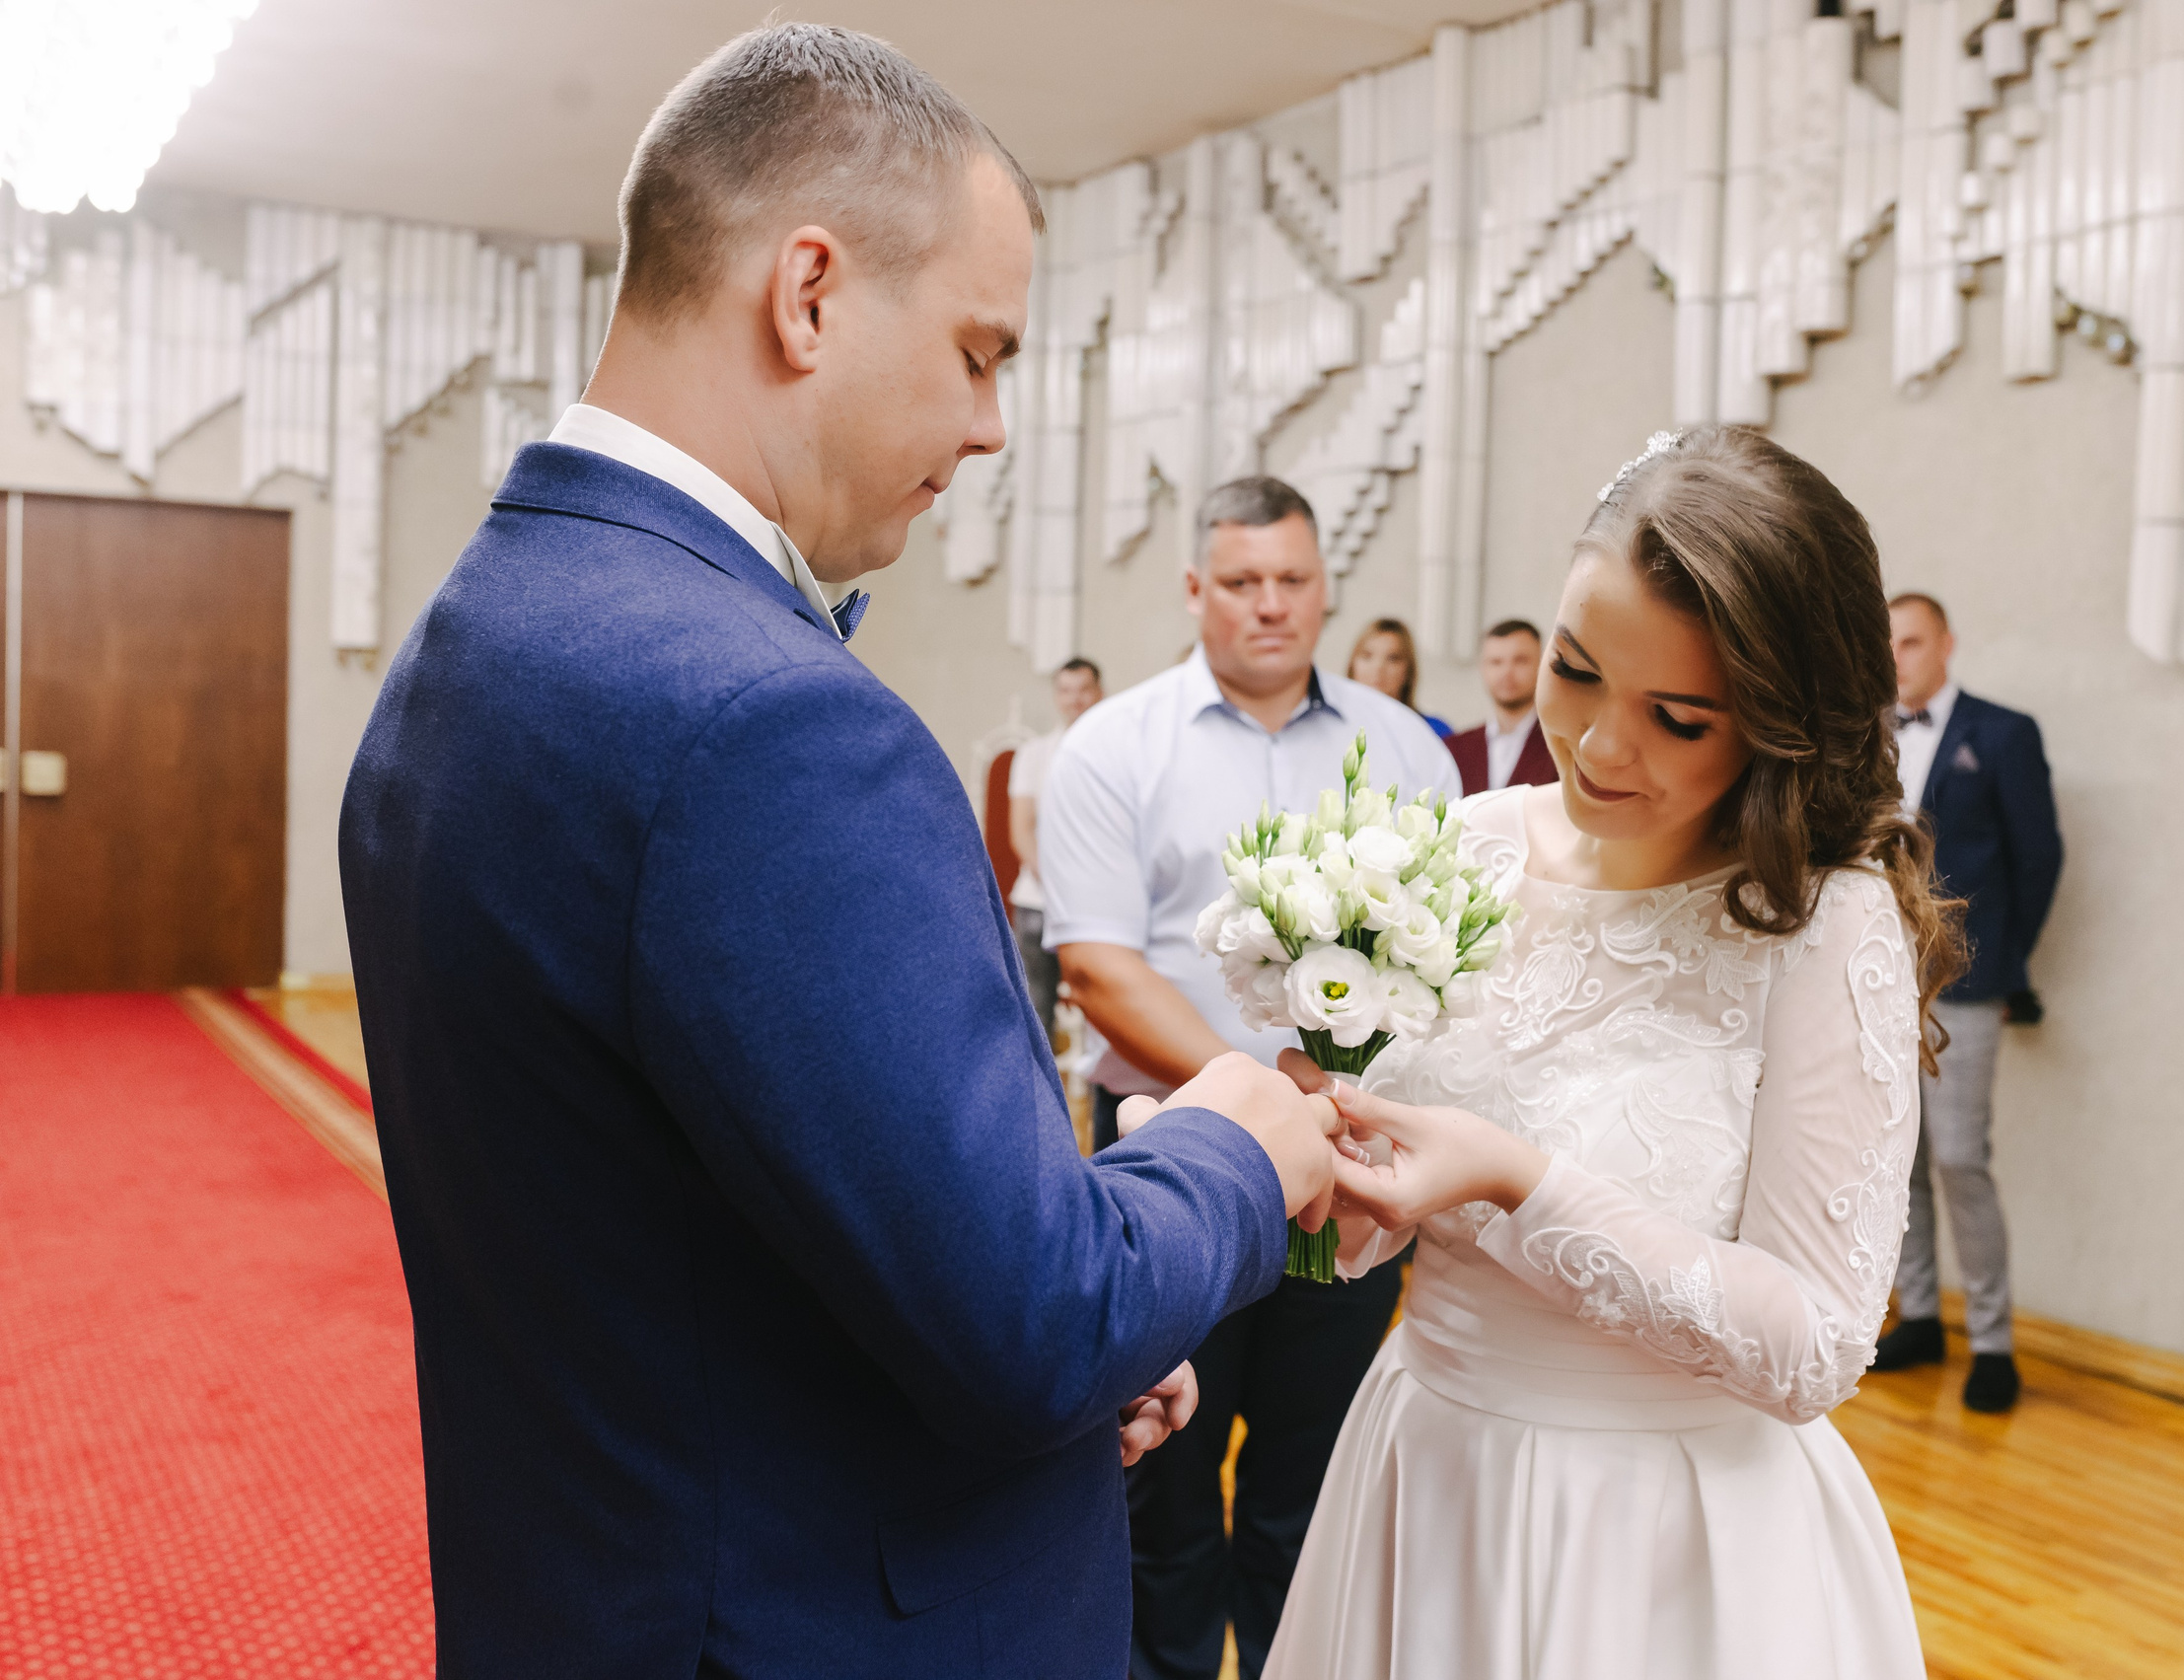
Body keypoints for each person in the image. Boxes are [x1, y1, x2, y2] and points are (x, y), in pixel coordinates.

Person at [336, 28, 1345, 1680]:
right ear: (808, 295)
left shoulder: (475, 636)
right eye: (977, 352)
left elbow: (690, 1229)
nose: (994, 425)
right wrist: (1236, 1146)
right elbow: (1034, 1318)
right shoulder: (767, 722)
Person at [1263, 425, 1957, 1680]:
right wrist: (1325, 1165)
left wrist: (1514, 1178)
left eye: (1675, 718)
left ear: (1782, 724)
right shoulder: (1466, 845)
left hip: (1668, 1534)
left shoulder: (1823, 921)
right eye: (1575, 670)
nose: (1593, 745)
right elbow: (1378, 1220)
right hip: (1430, 1473)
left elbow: (1814, 1342)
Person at [1040, 476, 1462, 1680]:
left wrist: (1347, 1112)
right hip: (1171, 1150)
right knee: (1163, 1486)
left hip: (1354, 1166)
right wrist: (1263, 1100)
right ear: (1195, 588)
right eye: (1240, 581)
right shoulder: (1113, 745)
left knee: (1312, 1483)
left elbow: (1454, 952)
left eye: (1291, 580)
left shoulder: (1405, 748)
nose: (1268, 604)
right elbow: (1098, 965)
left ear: (1324, 587)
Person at [1871, 592, 2062, 1414]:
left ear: (1946, 643)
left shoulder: (2003, 733)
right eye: (1886, 645)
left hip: (1968, 981)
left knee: (1958, 1157)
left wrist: (2007, 967)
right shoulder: (1867, 736)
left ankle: (1992, 1342)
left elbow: (2038, 857)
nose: (1897, 658)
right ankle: (1919, 1315)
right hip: (1878, 979)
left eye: (1911, 642)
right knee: (1897, 1156)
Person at [1008, 656, 1104, 1039]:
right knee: (1036, 1006)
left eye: (1083, 690)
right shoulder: (1034, 754)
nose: (1074, 699)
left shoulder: (1117, 753)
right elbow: (1021, 831)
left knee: (1103, 1008)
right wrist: (1058, 884)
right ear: (1056, 696)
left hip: (1097, 902)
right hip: (1039, 899)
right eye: (1066, 691)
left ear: (1099, 693)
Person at [1444, 618, 1558, 794]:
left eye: (1520, 661)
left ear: (1542, 665)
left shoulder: (1562, 747)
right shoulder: (1455, 749)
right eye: (1496, 662)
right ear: (1482, 668)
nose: (1507, 672)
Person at [1347, 617, 1451, 737]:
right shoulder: (1333, 727)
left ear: (1408, 671)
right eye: (1367, 655)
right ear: (1352, 665)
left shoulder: (1433, 731)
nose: (1378, 667)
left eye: (1392, 658)